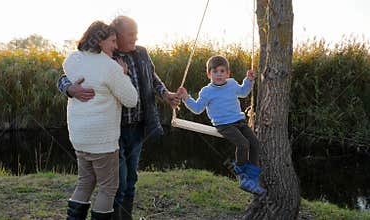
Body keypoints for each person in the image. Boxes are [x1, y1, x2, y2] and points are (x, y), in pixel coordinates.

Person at [57, 16, 180, 219]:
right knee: (117, 184)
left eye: (136, 33)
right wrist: (69, 88)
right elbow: (64, 77)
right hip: (114, 129)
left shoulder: (141, 53)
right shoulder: (104, 56)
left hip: (138, 127)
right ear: (117, 35)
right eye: (130, 34)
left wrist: (166, 94)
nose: (135, 38)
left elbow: (153, 77)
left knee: (130, 180)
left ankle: (125, 217)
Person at [64, 21, 138, 220]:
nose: (115, 45)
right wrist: (125, 75)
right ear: (99, 41)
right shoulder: (110, 67)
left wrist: (68, 88)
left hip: (79, 136)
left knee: (85, 182)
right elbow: (131, 99)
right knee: (107, 188)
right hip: (102, 140)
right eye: (112, 41)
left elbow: (65, 76)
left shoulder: (73, 59)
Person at [178, 55, 266, 195]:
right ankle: (242, 176)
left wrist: (249, 80)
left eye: (222, 71)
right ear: (209, 74)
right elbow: (197, 108)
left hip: (239, 121)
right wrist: (186, 98)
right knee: (243, 144)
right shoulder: (206, 92)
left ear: (228, 73)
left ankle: (252, 179)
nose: (219, 74)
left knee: (255, 143)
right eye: (215, 71)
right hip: (224, 124)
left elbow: (243, 92)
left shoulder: (231, 84)